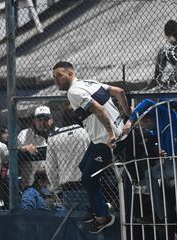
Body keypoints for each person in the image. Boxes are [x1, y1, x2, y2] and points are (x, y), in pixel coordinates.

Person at [52, 61, 131, 233]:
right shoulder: (90, 82)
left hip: (108, 141)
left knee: (88, 177)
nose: (56, 80)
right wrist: (126, 117)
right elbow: (120, 92)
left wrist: (111, 135)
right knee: (83, 167)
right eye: (54, 77)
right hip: (103, 139)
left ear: (70, 73)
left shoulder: (74, 92)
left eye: (58, 75)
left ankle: (104, 216)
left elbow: (99, 110)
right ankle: (97, 205)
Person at [123, 98, 177, 240]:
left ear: (149, 119)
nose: (141, 127)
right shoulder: (161, 129)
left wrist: (130, 120)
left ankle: (159, 217)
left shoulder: (168, 117)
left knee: (150, 174)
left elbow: (147, 102)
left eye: (141, 123)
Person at [46, 123, 90, 211]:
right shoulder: (86, 131)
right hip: (88, 182)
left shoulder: (53, 137)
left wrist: (56, 189)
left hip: (68, 186)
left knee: (73, 220)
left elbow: (50, 168)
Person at [17, 106, 55, 188]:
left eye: (46, 119)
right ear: (34, 121)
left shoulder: (58, 134)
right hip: (30, 185)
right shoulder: (24, 135)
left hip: (54, 184)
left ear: (51, 120)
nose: (42, 123)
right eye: (39, 120)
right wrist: (22, 148)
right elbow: (12, 152)